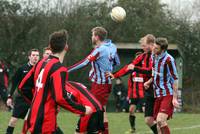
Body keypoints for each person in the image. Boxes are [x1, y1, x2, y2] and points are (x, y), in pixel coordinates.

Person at [18, 29, 92, 134]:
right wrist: (82, 109)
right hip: (45, 122)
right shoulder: (59, 69)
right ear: (66, 47)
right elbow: (60, 97)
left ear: (50, 46)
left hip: (36, 117)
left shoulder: (41, 62)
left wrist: (36, 102)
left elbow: (22, 87)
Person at [68, 26, 120, 134]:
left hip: (100, 85)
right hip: (105, 84)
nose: (91, 37)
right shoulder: (112, 46)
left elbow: (84, 62)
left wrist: (66, 70)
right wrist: (110, 71)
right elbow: (117, 62)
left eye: (92, 35)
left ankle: (84, 130)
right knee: (101, 110)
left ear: (96, 37)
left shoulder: (99, 50)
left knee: (92, 109)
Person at [107, 34, 158, 134]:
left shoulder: (157, 56)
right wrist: (114, 75)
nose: (142, 48)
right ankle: (134, 128)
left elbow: (151, 71)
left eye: (144, 45)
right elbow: (129, 67)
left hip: (160, 91)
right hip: (148, 92)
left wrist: (135, 68)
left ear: (151, 44)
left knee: (160, 120)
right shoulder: (143, 56)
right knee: (148, 120)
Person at [144, 37, 179, 134]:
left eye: (156, 48)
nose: (153, 50)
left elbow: (175, 79)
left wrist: (175, 98)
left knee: (161, 120)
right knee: (158, 124)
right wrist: (149, 82)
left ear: (163, 50)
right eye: (153, 47)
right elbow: (155, 73)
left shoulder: (169, 60)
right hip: (157, 94)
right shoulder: (153, 56)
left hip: (167, 93)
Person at [6, 48, 40, 134]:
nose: (35, 57)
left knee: (35, 123)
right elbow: (14, 83)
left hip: (35, 99)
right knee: (13, 120)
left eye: (37, 55)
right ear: (29, 57)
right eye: (33, 55)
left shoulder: (41, 69)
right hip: (22, 99)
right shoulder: (22, 68)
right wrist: (9, 97)